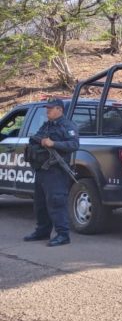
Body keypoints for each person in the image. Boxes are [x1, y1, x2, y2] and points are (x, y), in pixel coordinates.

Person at [23, 98, 80, 247]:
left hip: (56, 171)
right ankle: (42, 231)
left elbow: (74, 144)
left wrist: (53, 143)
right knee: (40, 203)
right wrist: (40, 141)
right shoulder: (47, 125)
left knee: (56, 202)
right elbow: (36, 138)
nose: (47, 111)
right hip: (42, 169)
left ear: (59, 110)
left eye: (50, 108)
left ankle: (63, 235)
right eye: (47, 108)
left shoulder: (67, 126)